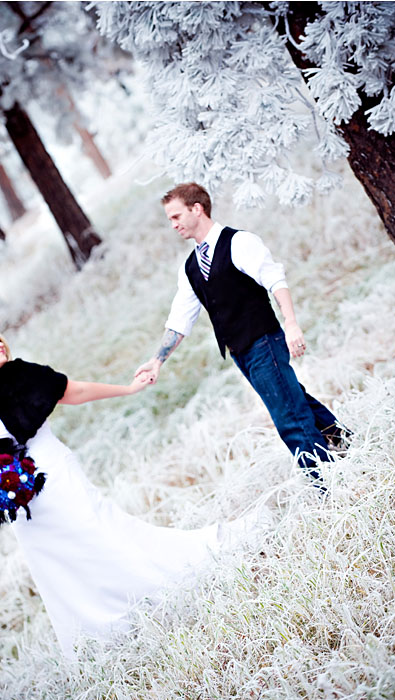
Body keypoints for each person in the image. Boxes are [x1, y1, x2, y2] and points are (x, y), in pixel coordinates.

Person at [0, 327, 256, 660]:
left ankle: (147, 592)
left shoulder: (22, 376)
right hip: (21, 502)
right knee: (55, 561)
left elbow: (74, 391)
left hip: (53, 477)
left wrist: (127, 389)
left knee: (97, 533)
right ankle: (94, 634)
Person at [135, 182, 352, 482]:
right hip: (241, 352)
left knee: (289, 418)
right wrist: (157, 360)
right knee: (294, 399)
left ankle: (327, 483)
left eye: (175, 216)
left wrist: (291, 323)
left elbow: (275, 279)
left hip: (264, 341)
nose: (172, 225)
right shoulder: (191, 266)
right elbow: (180, 318)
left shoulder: (240, 243)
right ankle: (347, 446)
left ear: (196, 209)